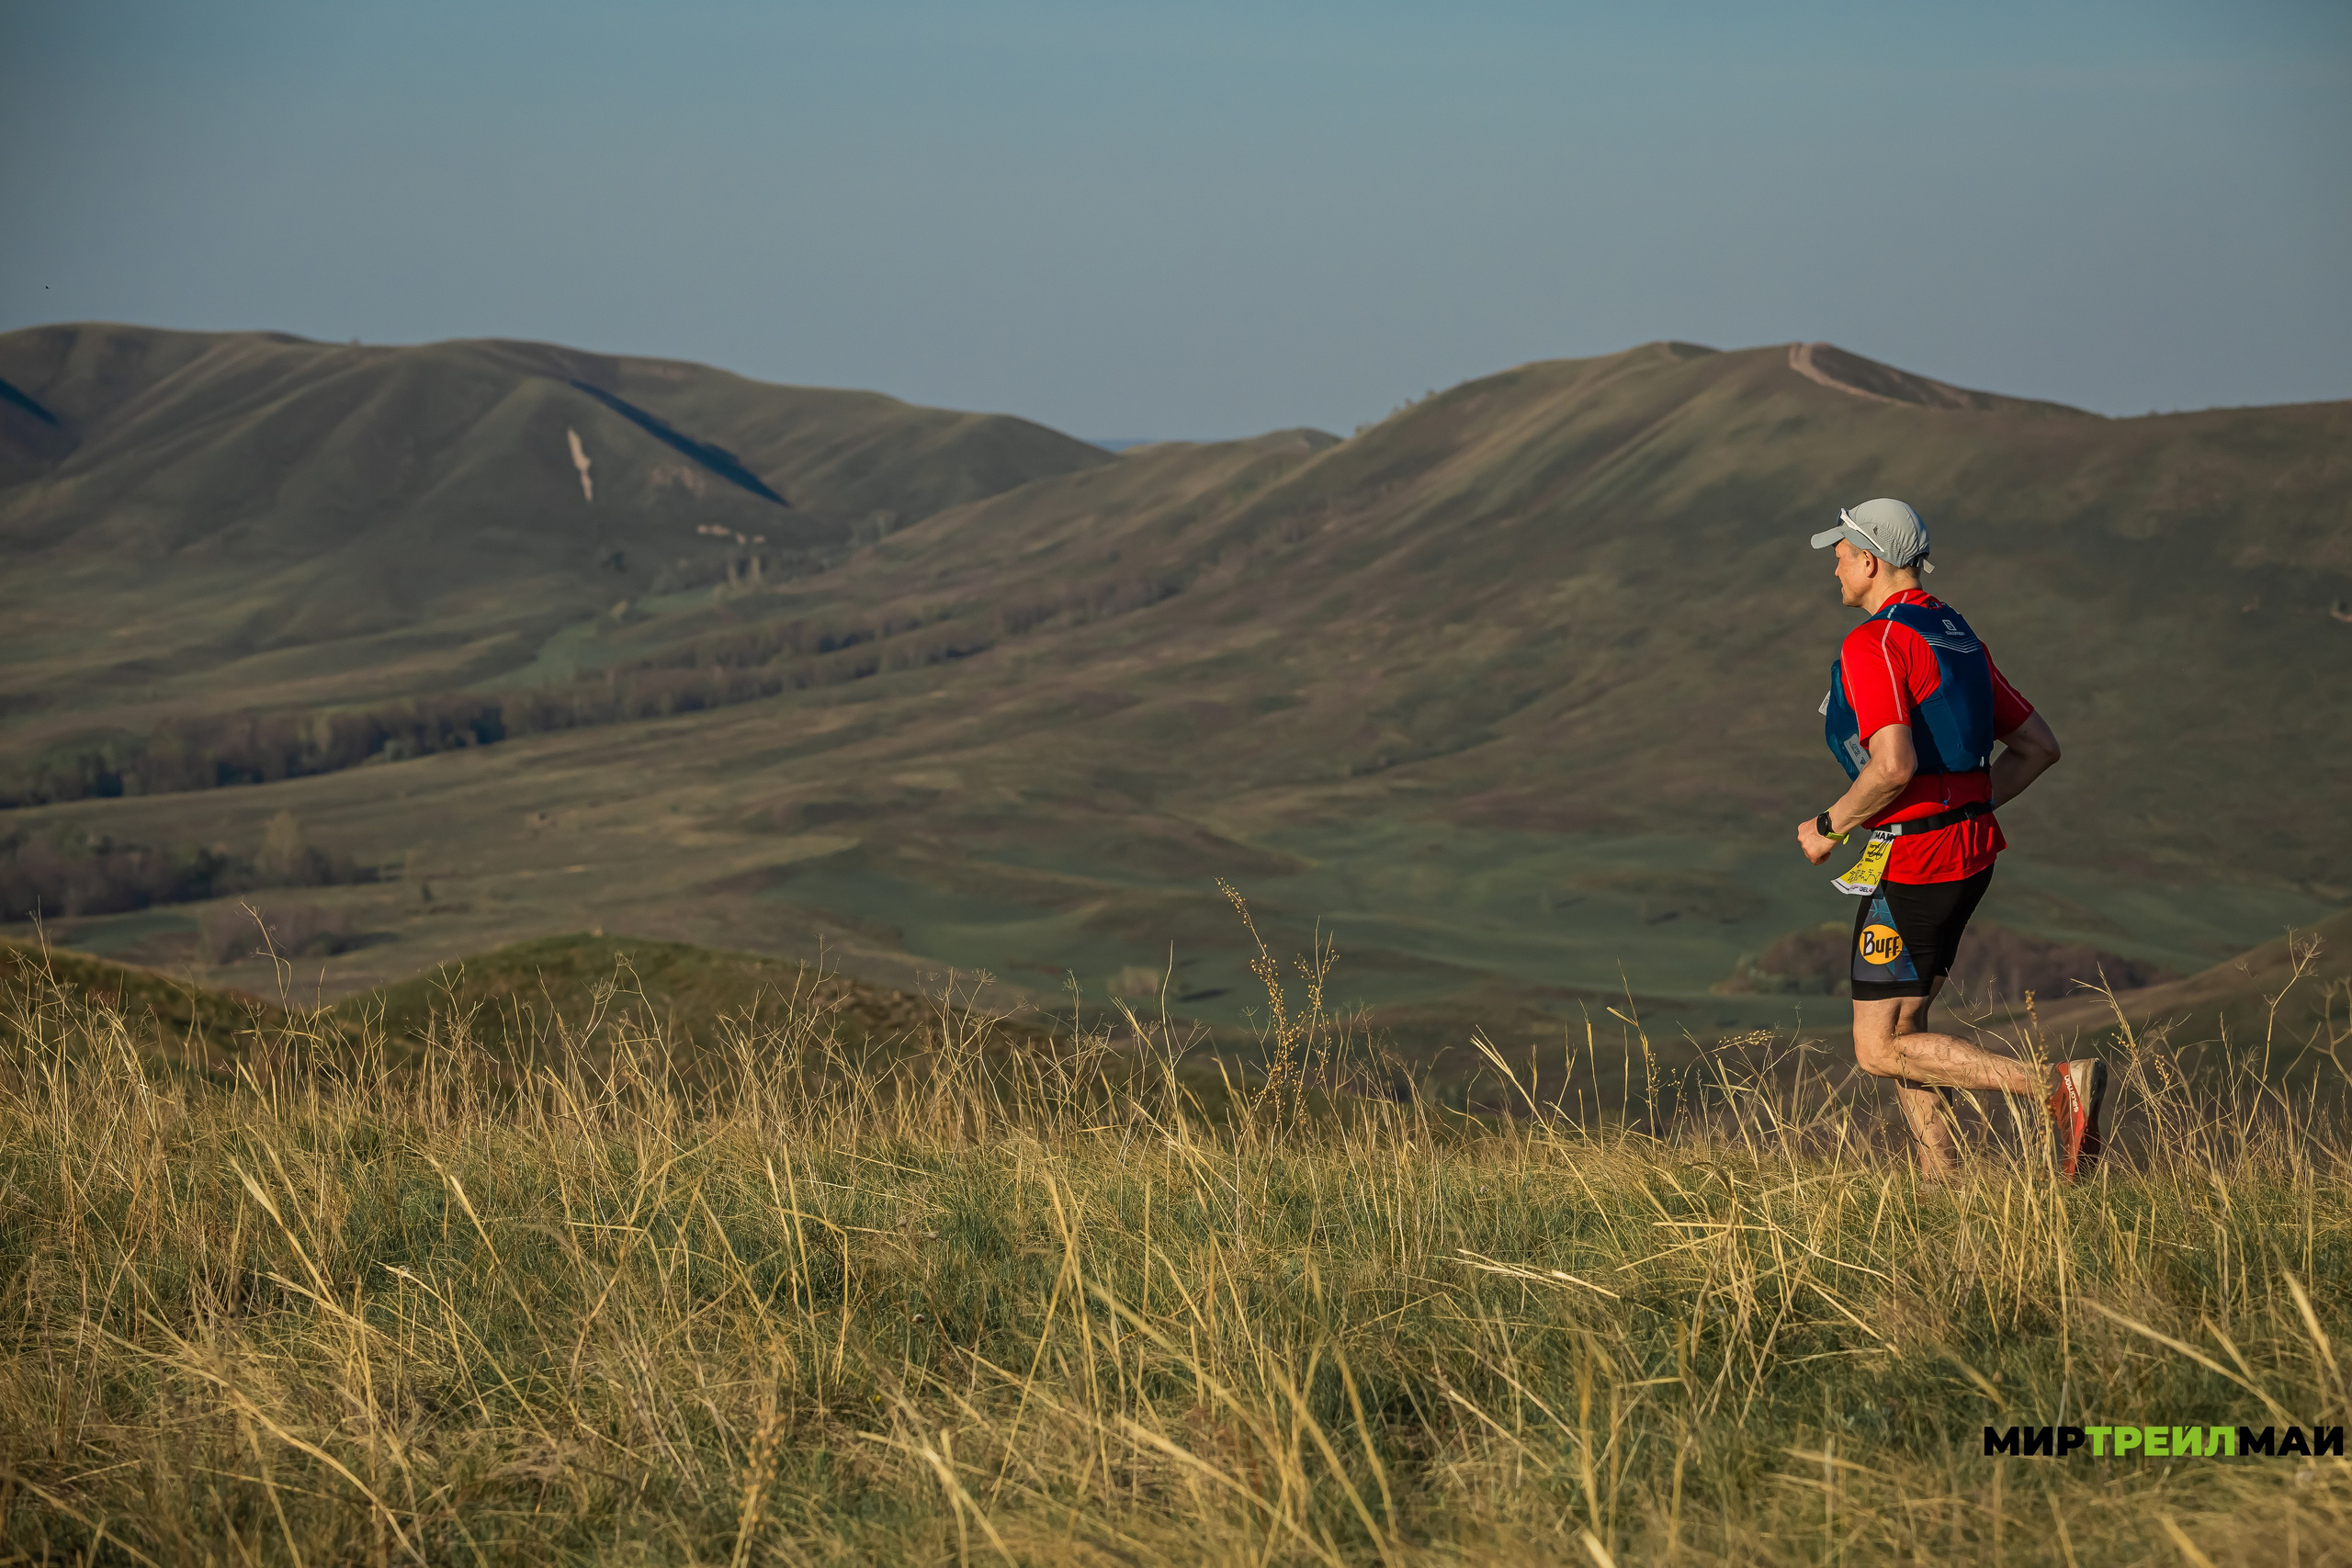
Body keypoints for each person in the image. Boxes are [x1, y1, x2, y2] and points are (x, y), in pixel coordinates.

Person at [1793, 498, 2108, 1180]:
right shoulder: (1955, 634)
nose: (1836, 569)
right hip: (1968, 853)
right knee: (1908, 1027)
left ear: (1870, 560)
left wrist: (1827, 826)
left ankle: (2056, 1087)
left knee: (1876, 1047)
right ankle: (1944, 1181)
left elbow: (1893, 765)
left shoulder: (1875, 641)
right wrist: (1964, 805)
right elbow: (2037, 747)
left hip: (1914, 859)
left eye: (1841, 556)